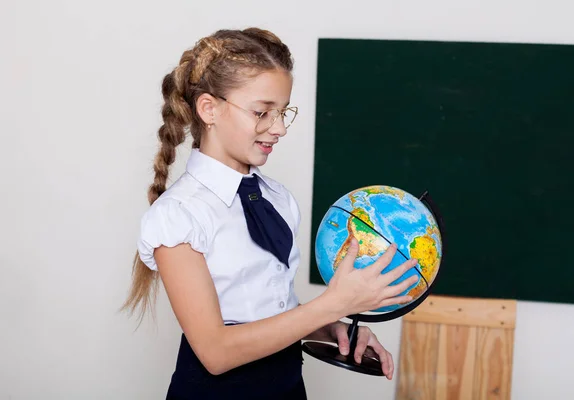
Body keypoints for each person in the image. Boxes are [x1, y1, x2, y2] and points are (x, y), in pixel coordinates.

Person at [121, 27, 419, 400]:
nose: (278, 128)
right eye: (262, 112)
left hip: (289, 389)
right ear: (209, 108)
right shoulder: (178, 216)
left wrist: (330, 326)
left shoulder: (277, 199)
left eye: (283, 112)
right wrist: (334, 303)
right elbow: (215, 352)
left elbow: (269, 309)